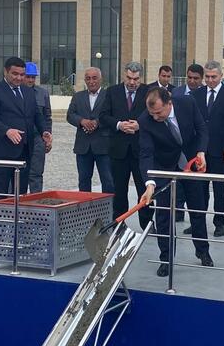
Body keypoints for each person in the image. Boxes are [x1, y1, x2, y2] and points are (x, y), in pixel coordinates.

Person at [138, 87, 212, 276]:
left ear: (169, 103)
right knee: (164, 215)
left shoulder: (187, 103)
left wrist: (201, 151)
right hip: (164, 167)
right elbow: (146, 154)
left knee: (197, 209)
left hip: (191, 162)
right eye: (152, 114)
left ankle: (203, 251)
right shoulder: (145, 120)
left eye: (159, 113)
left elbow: (202, 129)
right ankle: (166, 258)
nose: (155, 117)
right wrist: (150, 183)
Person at [0, 57, 50, 201]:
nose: (19, 78)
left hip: (25, 149)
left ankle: (18, 215)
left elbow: (37, 115)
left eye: (22, 74)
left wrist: (44, 131)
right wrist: (7, 130)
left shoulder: (28, 92)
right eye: (15, 74)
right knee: (1, 190)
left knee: (20, 191)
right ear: (6, 72)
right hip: (2, 150)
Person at [99, 61, 153, 229]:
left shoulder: (149, 92)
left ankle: (147, 224)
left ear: (141, 78)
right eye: (129, 78)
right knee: (119, 191)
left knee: (144, 188)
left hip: (141, 151)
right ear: (124, 75)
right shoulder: (112, 92)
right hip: (118, 151)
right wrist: (119, 125)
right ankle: (119, 224)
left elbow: (155, 115)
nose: (132, 82)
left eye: (135, 79)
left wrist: (140, 125)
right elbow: (103, 116)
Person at [192, 60, 224, 237]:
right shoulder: (196, 94)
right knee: (200, 190)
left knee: (220, 189)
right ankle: (198, 221)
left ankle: (219, 222)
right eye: (207, 77)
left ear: (221, 76)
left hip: (220, 151)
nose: (210, 80)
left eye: (214, 76)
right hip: (200, 151)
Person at [66, 67, 114, 193]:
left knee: (108, 180)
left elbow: (112, 115)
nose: (91, 81)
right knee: (83, 181)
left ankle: (108, 205)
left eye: (94, 78)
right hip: (83, 146)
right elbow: (70, 115)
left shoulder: (109, 95)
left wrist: (97, 123)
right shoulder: (78, 96)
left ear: (100, 79)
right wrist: (82, 121)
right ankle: (85, 205)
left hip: (104, 146)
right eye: (88, 78)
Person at [171, 63, 205, 224]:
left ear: (201, 79)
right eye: (189, 77)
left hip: (195, 146)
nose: (192, 81)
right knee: (177, 184)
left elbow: (201, 125)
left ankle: (197, 218)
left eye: (196, 78)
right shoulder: (176, 92)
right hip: (177, 146)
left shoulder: (203, 95)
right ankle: (178, 211)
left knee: (195, 186)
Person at [22, 62, 53, 193]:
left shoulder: (43, 93)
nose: (30, 80)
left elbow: (47, 117)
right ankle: (16, 202)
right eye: (28, 76)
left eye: (33, 77)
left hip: (37, 139)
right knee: (18, 172)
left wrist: (48, 137)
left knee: (36, 173)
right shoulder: (16, 93)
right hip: (20, 138)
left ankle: (35, 201)